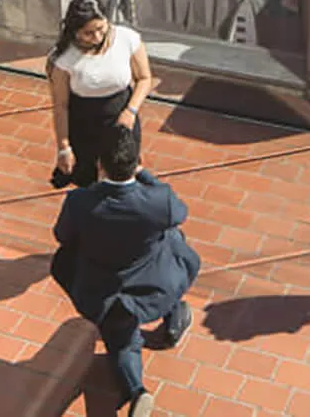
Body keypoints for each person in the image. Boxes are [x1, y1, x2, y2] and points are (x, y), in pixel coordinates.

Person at [51, 125, 199, 417]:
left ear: (99, 164)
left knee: (122, 343)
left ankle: (137, 391)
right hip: (155, 282)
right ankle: (172, 318)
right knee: (173, 240)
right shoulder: (160, 201)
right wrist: (144, 174)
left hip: (105, 291)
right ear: (136, 160)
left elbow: (62, 236)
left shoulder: (80, 202)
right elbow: (179, 213)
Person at [47, 0, 155, 188]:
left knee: (123, 173)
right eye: (88, 33)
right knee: (88, 177)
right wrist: (63, 147)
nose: (96, 37)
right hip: (85, 123)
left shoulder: (127, 39)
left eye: (100, 29)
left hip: (122, 115)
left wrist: (131, 111)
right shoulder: (63, 58)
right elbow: (61, 106)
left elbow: (144, 78)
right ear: (74, 31)